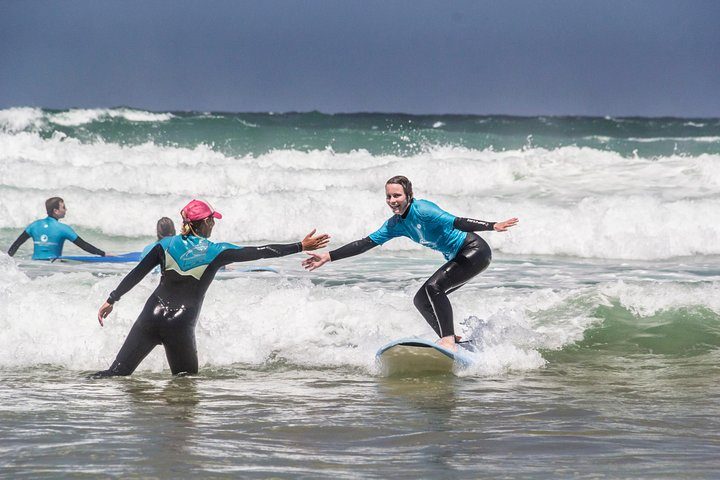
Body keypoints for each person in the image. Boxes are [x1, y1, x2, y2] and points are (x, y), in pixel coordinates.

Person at [94, 199, 330, 377]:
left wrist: (112, 299)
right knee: (185, 384)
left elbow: (137, 273)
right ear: (205, 222)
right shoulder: (218, 251)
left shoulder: (165, 245)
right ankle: (177, 437)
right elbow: (261, 251)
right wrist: (300, 245)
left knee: (114, 374)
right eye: (212, 219)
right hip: (180, 323)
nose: (214, 223)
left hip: (151, 314)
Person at [302, 175, 518, 350]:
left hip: (474, 251)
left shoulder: (423, 209)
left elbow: (457, 221)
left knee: (435, 287)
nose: (392, 200)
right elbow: (365, 243)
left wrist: (493, 225)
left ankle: (448, 340)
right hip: (460, 256)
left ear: (408, 195)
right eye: (388, 196)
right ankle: (453, 339)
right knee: (421, 300)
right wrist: (329, 256)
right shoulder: (395, 225)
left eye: (397, 195)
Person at [7, 197, 105, 260]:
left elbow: (16, 244)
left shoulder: (34, 225)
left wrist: (6, 262)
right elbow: (84, 245)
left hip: (34, 267)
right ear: (56, 211)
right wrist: (103, 254)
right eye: (63, 207)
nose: (66, 209)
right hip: (53, 268)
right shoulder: (63, 229)